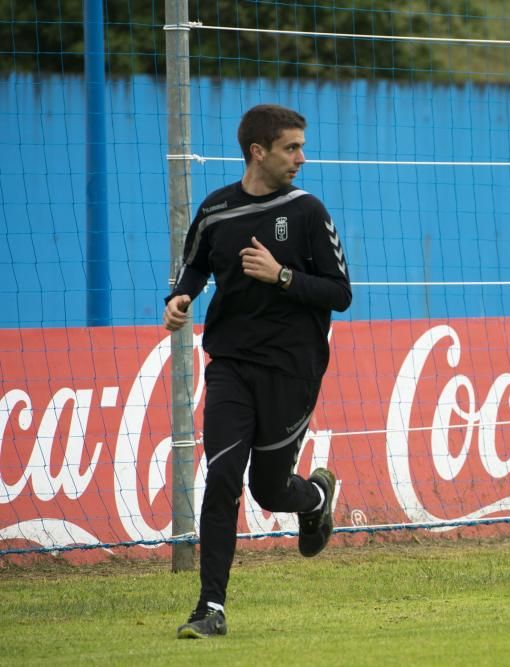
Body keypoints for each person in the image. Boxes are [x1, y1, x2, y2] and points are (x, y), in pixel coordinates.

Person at [163, 104, 352, 638]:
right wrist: (180, 297)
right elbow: (196, 262)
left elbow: (340, 293)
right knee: (221, 478)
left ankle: (315, 498)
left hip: (293, 371)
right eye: (292, 147)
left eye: (301, 146)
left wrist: (282, 276)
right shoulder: (216, 208)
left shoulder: (309, 211)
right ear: (258, 152)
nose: (302, 158)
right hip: (231, 366)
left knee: (270, 491)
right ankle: (210, 609)